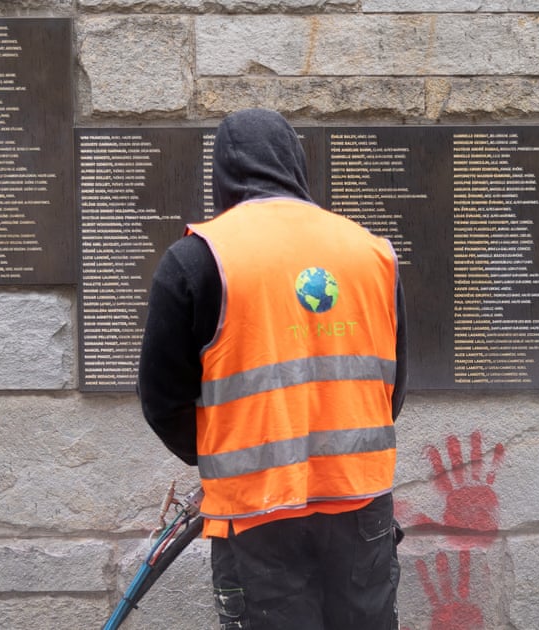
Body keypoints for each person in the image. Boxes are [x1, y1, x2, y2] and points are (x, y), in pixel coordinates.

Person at [137, 108, 407, 630]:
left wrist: (226, 451)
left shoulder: (197, 259)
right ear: (295, 165)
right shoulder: (372, 254)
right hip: (360, 502)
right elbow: (389, 388)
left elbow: (162, 400)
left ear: (222, 174)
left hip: (255, 513)